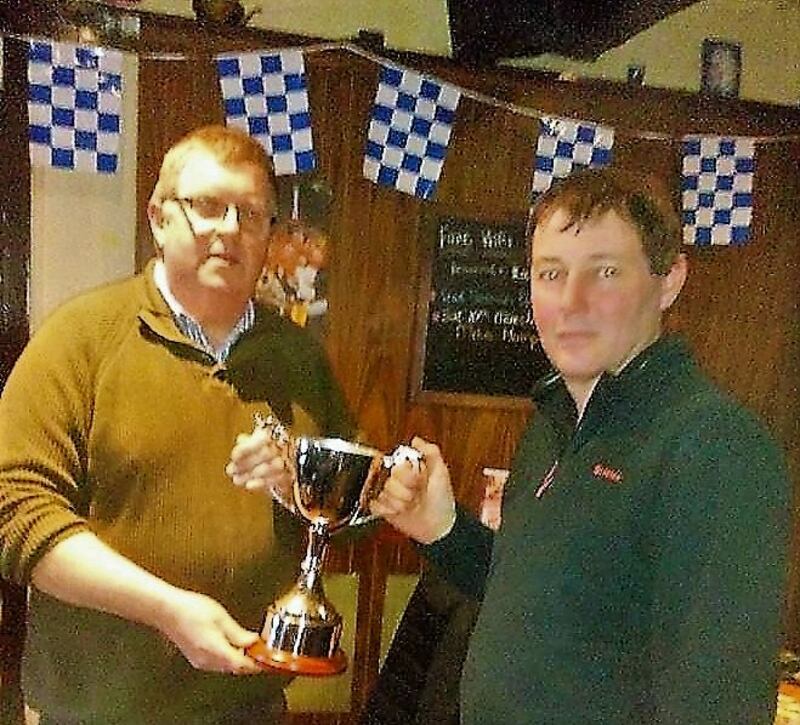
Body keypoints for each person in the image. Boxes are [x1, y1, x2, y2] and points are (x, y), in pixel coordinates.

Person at [369, 168, 791, 723]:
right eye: (550, 273)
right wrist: (444, 530)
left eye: (605, 272)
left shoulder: (715, 447)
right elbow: (540, 601)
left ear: (669, 281)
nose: (571, 301)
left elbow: (718, 701)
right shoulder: (552, 423)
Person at [0, 124, 353, 723]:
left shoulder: (299, 359)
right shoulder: (81, 337)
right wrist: (167, 609)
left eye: (251, 214)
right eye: (207, 207)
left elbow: (345, 518)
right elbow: (14, 511)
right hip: (93, 712)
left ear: (270, 235)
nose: (229, 229)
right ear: (159, 218)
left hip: (248, 706)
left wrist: (302, 484)